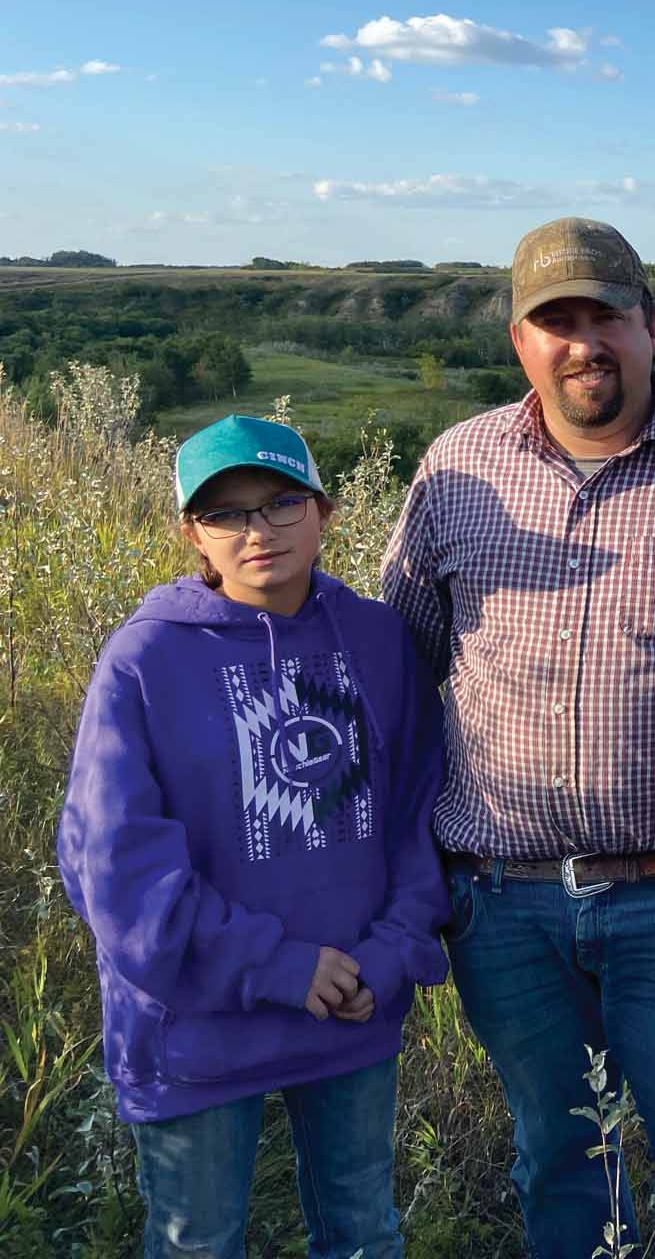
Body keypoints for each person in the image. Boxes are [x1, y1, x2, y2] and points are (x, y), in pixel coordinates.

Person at [379, 217, 655, 1259]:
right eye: (554, 322)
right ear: (519, 343)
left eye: (606, 317)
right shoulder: (457, 472)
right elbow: (401, 666)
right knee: (556, 1159)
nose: (584, 343)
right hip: (502, 903)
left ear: (652, 327)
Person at [57, 415, 448, 1259]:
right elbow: (112, 864)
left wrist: (392, 952)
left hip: (352, 1004)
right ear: (192, 533)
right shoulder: (146, 659)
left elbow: (422, 812)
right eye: (225, 514)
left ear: (325, 511)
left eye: (279, 503)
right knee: (199, 1242)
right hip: (198, 1022)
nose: (257, 530)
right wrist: (272, 964)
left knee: (364, 1234)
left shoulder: (379, 641)